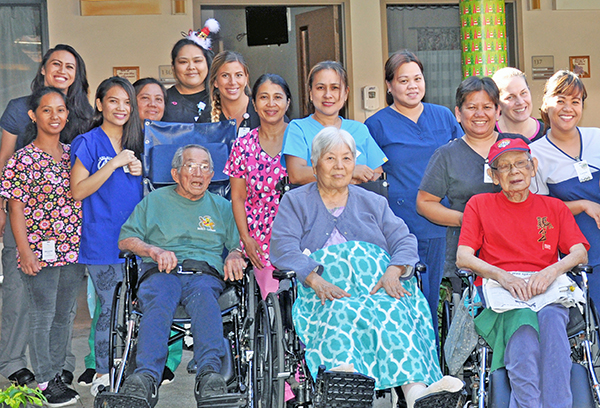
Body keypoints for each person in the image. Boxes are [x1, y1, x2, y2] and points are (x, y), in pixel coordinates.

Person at [271, 127, 464, 408]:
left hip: (377, 285)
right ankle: (345, 383)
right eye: (330, 159)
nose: (340, 166)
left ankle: (416, 395)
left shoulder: (373, 201)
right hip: (326, 289)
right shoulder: (296, 201)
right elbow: (283, 247)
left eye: (347, 159)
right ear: (314, 164)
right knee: (341, 310)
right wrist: (315, 280)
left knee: (395, 311)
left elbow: (404, 239)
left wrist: (394, 270)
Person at [456, 137, 589, 408]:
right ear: (494, 176)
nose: (514, 171)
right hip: (501, 290)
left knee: (552, 320)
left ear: (533, 167)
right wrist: (503, 276)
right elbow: (463, 256)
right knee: (524, 327)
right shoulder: (479, 204)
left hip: (546, 287)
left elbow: (579, 252)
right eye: (503, 167)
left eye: (520, 163)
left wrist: (552, 271)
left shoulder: (554, 207)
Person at [114, 145, 246, 407]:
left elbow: (237, 244)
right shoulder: (155, 201)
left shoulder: (222, 206)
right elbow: (125, 239)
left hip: (203, 274)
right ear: (176, 173)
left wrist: (233, 254)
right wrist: (151, 249)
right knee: (160, 298)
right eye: (191, 166)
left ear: (212, 175)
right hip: (161, 271)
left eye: (205, 167)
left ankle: (209, 373)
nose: (199, 172)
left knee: (205, 298)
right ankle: (146, 376)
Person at [0, 43, 92, 387]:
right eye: (56, 64)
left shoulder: (82, 115)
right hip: (23, 217)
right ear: (43, 68)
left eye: (70, 66)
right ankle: (11, 361)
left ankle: (59, 362)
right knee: (20, 293)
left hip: (64, 227)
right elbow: (4, 161)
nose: (63, 71)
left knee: (61, 303)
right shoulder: (18, 108)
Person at [365, 50, 462, 335]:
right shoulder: (377, 124)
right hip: (399, 224)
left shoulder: (442, 116)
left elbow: (460, 157)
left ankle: (435, 364)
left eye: (417, 79)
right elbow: (371, 175)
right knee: (404, 299)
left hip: (442, 222)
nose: (412, 86)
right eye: (403, 80)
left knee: (434, 299)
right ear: (389, 86)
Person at [416, 76, 528, 291]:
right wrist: (467, 220)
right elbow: (424, 202)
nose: (479, 114)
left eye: (487, 107)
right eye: (471, 107)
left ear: (497, 112)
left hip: (520, 247)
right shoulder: (446, 155)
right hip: (469, 252)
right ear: (458, 113)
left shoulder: (516, 145)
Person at [70, 76, 143, 396]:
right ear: (99, 104)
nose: (121, 108)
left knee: (134, 310)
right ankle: (102, 372)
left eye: (127, 102)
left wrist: (141, 170)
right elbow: (77, 190)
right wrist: (113, 164)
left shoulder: (138, 143)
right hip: (101, 241)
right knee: (109, 309)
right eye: (113, 100)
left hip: (137, 242)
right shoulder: (89, 142)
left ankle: (128, 369)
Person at [530, 70, 600, 303]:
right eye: (560, 100)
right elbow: (536, 209)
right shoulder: (534, 153)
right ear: (546, 104)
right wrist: (580, 205)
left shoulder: (596, 138)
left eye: (575, 101)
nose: (568, 108)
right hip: (578, 252)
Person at [224, 73, 290, 297]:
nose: (271, 104)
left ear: (288, 102)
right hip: (258, 235)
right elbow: (238, 197)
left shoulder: (300, 139)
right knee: (270, 295)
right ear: (254, 103)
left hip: (299, 229)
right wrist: (246, 239)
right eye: (263, 97)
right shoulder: (243, 145)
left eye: (278, 97)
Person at [282, 60, 386, 185]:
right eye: (320, 88)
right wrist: (348, 173)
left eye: (335, 88)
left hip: (356, 202)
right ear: (310, 93)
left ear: (346, 93)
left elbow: (377, 173)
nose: (328, 95)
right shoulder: (298, 129)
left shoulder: (360, 129)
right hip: (313, 203)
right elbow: (296, 174)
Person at [162, 19, 219, 123]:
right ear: (173, 67)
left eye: (197, 61)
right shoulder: (162, 100)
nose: (191, 67)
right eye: (183, 62)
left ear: (208, 64)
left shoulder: (222, 97)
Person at [199, 51, 260, 137]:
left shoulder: (262, 111)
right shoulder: (206, 118)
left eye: (238, 75)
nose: (232, 82)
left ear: (246, 79)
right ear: (215, 81)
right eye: (225, 76)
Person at [492, 67, 546, 142]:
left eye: (523, 93)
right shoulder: (489, 134)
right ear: (498, 103)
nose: (520, 102)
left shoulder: (547, 134)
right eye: (510, 97)